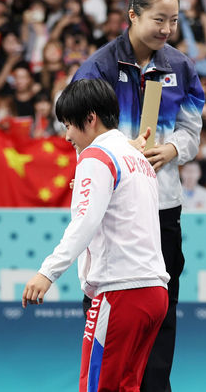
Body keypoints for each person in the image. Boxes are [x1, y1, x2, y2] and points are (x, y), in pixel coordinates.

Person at [72, 0, 204, 392]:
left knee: (159, 311)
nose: (167, 29)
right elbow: (75, 131)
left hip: (163, 208)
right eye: (158, 19)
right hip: (112, 212)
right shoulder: (97, 68)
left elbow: (192, 132)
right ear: (132, 16)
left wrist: (172, 150)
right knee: (107, 313)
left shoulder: (181, 68)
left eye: (174, 20)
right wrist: (121, 148)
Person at [21, 78, 169, 391]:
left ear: (90, 118)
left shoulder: (96, 157)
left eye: (68, 125)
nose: (66, 136)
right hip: (155, 293)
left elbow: (84, 223)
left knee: (98, 387)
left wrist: (46, 273)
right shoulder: (137, 159)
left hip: (120, 292)